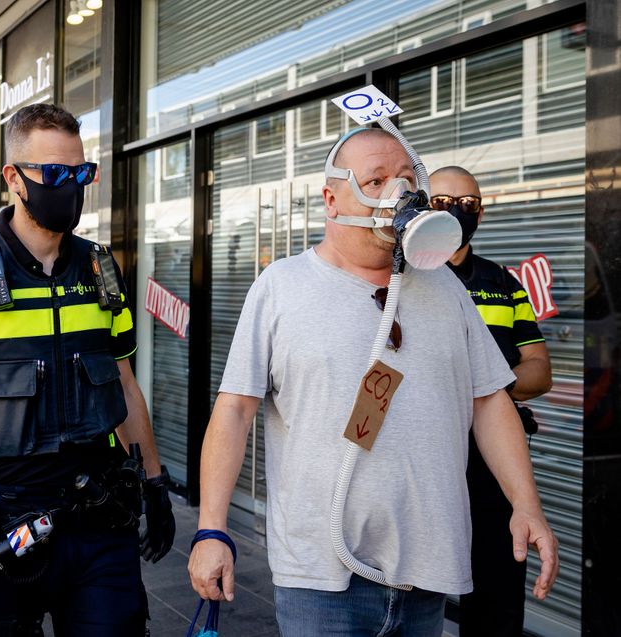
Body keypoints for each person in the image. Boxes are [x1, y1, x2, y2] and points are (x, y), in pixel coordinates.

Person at [187, 127, 559, 636]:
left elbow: (490, 400)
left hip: (425, 571)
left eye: (407, 178)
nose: (397, 193)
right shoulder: (281, 287)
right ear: (332, 197)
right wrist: (212, 530)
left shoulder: (445, 286)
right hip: (321, 577)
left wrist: (526, 504)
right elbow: (233, 410)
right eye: (377, 179)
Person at [0, 103, 175, 637]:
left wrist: (155, 482)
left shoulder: (99, 269)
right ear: (13, 178)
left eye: (81, 173)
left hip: (99, 520)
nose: (71, 186)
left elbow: (125, 385)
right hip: (2, 523)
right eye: (56, 174)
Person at [432, 166, 553, 636]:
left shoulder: (503, 282)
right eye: (442, 202)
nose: (457, 211)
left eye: (466, 202)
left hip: (494, 461)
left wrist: (483, 393)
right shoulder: (400, 276)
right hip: (424, 454)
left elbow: (539, 370)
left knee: (497, 598)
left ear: (479, 211)